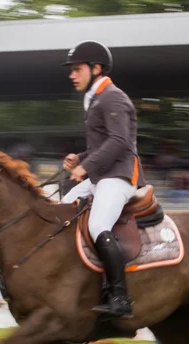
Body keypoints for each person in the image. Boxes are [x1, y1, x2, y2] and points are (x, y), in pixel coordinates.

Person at [60, 40, 147, 319]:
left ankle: (119, 297)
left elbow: (120, 142)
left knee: (98, 224)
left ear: (96, 68)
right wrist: (80, 158)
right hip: (102, 174)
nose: (72, 75)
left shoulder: (112, 97)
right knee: (61, 209)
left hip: (120, 175)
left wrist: (85, 168)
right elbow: (102, 145)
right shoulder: (96, 98)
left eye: (77, 69)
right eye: (71, 70)